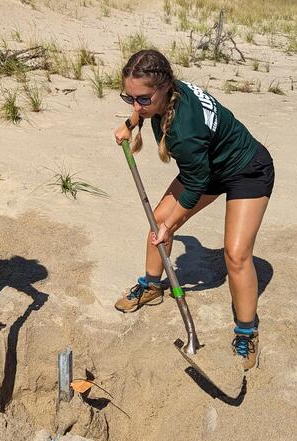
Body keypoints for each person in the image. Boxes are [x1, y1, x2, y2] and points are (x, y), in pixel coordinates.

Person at [113, 50, 274, 370]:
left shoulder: (184, 130)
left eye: (142, 100)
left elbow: (197, 184)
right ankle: (152, 286)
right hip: (206, 167)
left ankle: (246, 331)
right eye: (129, 98)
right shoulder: (164, 94)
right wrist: (129, 124)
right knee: (155, 220)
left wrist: (171, 227)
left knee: (236, 254)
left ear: (164, 87)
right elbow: (196, 176)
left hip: (247, 170)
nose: (136, 106)